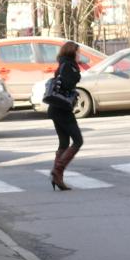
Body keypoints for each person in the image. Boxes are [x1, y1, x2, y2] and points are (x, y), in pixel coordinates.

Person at [49, 41, 84, 191]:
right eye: (78, 52)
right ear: (72, 52)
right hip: (62, 109)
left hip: (56, 108)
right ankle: (57, 170)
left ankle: (58, 177)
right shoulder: (69, 67)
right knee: (78, 140)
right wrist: (77, 75)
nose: (80, 55)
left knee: (64, 143)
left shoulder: (64, 64)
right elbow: (68, 84)